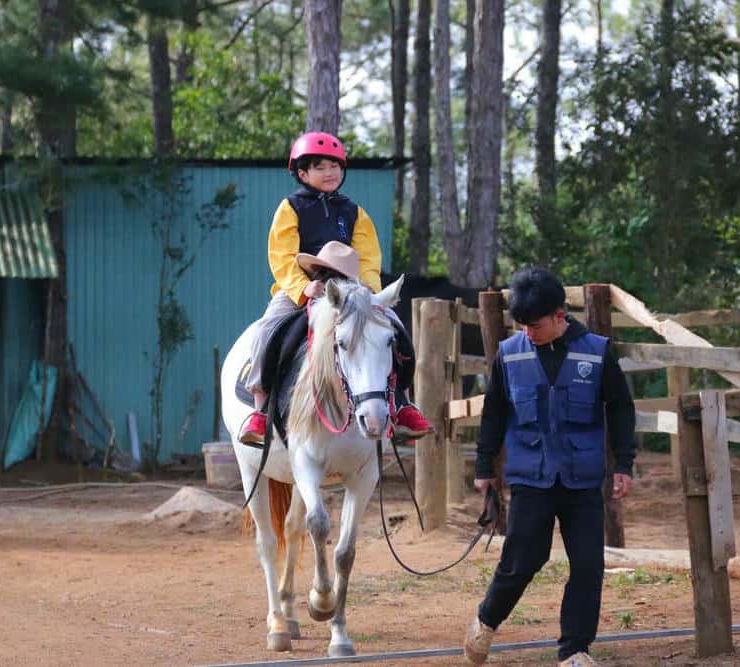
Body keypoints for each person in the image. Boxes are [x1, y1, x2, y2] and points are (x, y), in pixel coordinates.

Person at [463, 267, 636, 667]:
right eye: (521, 325)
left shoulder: (595, 352)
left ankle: (574, 651)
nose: (528, 332)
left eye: (535, 325)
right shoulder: (510, 354)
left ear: (560, 316)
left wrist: (624, 462)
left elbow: (622, 408)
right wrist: (484, 466)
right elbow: (494, 413)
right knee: (523, 560)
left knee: (589, 566)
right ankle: (486, 620)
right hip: (530, 477)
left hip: (581, 478)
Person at [239, 131, 434, 445]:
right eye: (319, 167)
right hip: (301, 289)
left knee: (394, 329)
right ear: (302, 173)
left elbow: (369, 256)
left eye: (335, 166)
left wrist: (369, 291)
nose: (330, 173)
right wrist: (304, 287)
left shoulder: (355, 212)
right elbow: (282, 255)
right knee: (267, 330)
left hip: (350, 288)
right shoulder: (290, 208)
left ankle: (402, 404)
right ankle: (260, 411)